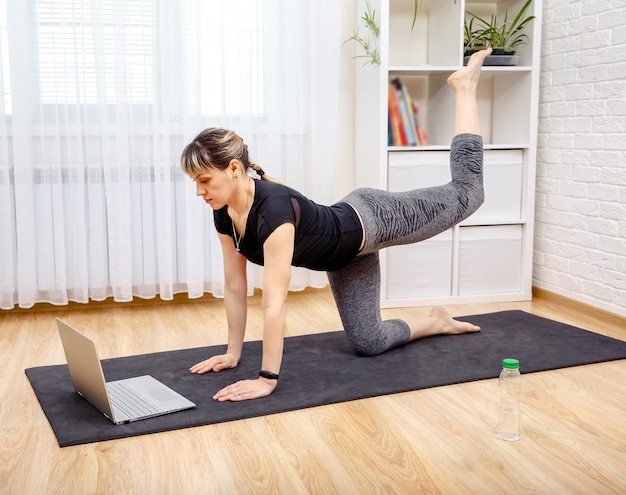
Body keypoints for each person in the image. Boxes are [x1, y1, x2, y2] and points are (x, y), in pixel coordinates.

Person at [180, 48, 493, 402]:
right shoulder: (223, 210)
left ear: (234, 169)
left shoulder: (273, 211)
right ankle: (438, 322)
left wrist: (267, 379)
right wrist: (233, 354)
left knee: (469, 192)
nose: (199, 191)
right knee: (369, 342)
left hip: (374, 219)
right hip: (346, 257)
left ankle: (464, 87)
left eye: (204, 180)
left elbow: (274, 305)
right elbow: (235, 288)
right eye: (194, 182)